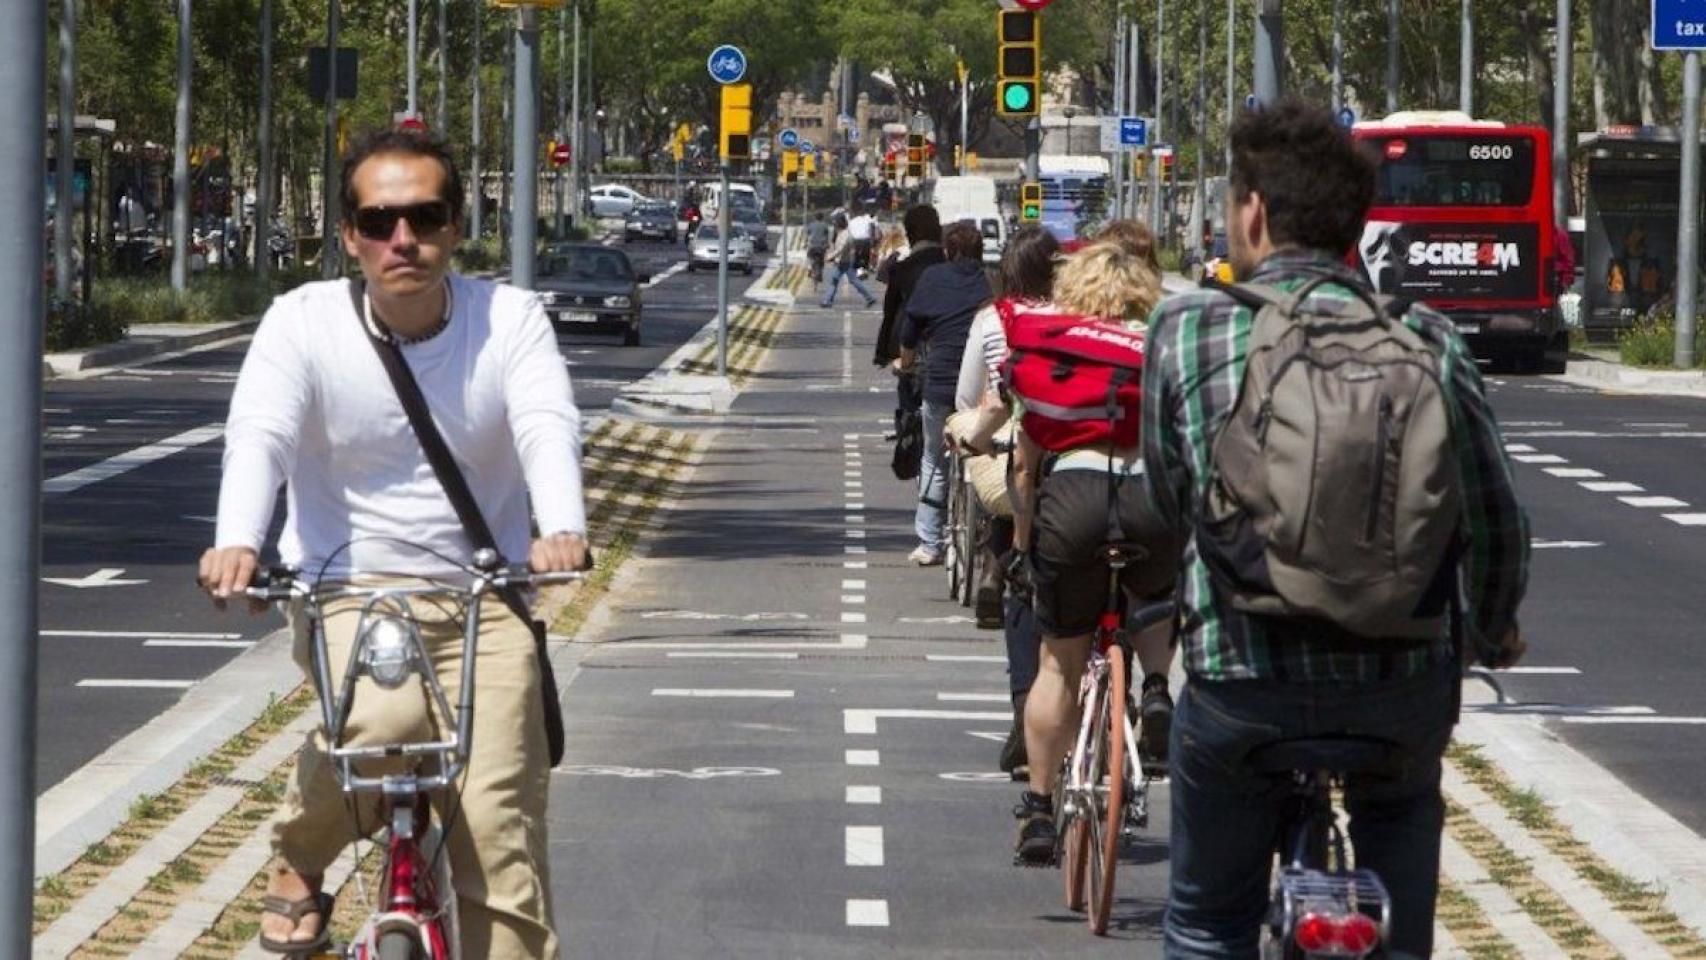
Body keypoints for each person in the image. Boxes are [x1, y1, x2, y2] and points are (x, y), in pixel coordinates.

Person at [1141, 99, 1528, 958]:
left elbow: (1170, 498)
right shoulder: (1427, 338)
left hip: (1240, 676)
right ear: (1356, 224)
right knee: (1400, 843)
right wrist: (1493, 627)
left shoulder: (1187, 327)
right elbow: (1494, 514)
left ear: (1253, 211)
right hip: (1399, 681)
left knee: (1206, 925)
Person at [197, 130, 588, 957]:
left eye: (424, 217)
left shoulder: (508, 319)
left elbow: (545, 424)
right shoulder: (302, 323)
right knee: (381, 724)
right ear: (350, 236)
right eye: (378, 222)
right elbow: (261, 436)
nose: (401, 239)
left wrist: (561, 528)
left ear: (456, 226)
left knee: (497, 828)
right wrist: (237, 542)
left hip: (486, 595)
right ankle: (301, 855)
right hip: (348, 591)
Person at [1007, 239, 1184, 863]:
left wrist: (1022, 545)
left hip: (1074, 498)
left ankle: (1038, 809)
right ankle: (1156, 687)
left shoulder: (1056, 350)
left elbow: (1024, 469)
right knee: (1156, 594)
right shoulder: (1162, 347)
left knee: (1059, 661)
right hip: (1150, 498)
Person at [946, 224, 1063, 771]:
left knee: (1019, 555)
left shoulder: (994, 320)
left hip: (1017, 454)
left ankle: (1023, 710)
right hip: (1090, 471)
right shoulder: (1082, 319)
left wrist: (972, 435)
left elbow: (969, 398)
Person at [894, 222, 991, 565]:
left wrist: (905, 363)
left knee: (934, 457)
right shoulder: (990, 281)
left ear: (948, 251)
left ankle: (930, 543)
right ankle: (983, 531)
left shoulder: (932, 278)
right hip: (981, 390)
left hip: (940, 383)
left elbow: (910, 329)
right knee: (985, 455)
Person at [875, 205, 945, 367]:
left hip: (910, 348)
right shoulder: (950, 264)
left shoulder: (902, 269)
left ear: (910, 233)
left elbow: (890, 313)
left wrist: (882, 352)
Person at [819, 214, 879, 309]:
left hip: (845, 262)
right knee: (835, 280)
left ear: (839, 223)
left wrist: (830, 257)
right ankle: (827, 300)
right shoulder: (841, 233)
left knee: (852, 281)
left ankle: (870, 298)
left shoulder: (845, 235)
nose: (834, 224)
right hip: (842, 261)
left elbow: (840, 249)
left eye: (835, 222)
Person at [848, 204, 878, 275]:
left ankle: (856, 269)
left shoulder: (852, 221)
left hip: (855, 241)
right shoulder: (868, 220)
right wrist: (873, 241)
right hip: (865, 241)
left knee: (856, 256)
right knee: (865, 256)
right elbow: (872, 231)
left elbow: (849, 233)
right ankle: (864, 268)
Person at [805, 211, 831, 284]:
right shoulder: (825, 225)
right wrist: (827, 244)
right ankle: (820, 273)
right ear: (822, 218)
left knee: (809, 256)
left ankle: (809, 268)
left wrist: (805, 243)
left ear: (814, 218)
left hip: (812, 246)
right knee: (822, 259)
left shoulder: (811, 225)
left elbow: (807, 235)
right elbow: (826, 236)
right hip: (821, 247)